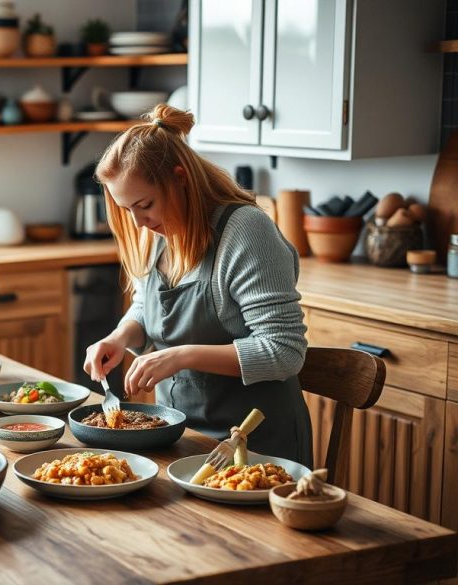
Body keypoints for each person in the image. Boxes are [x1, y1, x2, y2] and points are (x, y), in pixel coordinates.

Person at [83, 104, 313, 466]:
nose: (140, 222)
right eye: (128, 210)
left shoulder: (246, 232)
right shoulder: (161, 230)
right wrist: (119, 337)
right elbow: (147, 305)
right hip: (183, 438)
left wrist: (182, 356)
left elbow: (284, 350)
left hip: (255, 448)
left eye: (145, 204)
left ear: (180, 178)